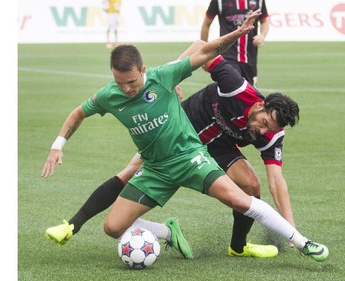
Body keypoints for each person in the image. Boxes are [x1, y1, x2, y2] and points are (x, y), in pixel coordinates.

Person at [42, 10, 329, 262]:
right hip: (170, 147)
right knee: (114, 224)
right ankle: (167, 231)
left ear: (142, 71)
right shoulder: (235, 88)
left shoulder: (270, 133)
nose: (128, 89)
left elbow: (276, 181)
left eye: (132, 82)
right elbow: (79, 113)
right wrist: (58, 145)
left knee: (246, 193)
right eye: (122, 83)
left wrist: (295, 233)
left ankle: (275, 245)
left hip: (197, 152)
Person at [201, 0, 269, 86]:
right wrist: (204, 54)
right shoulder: (219, 1)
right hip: (227, 56)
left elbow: (264, 21)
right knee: (231, 90)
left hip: (250, 58)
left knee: (250, 95)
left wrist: (262, 36)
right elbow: (206, 24)